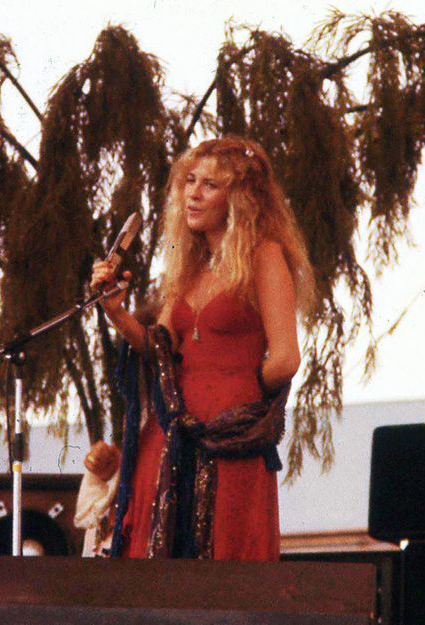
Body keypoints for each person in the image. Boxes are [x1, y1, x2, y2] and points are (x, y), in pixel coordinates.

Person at [84, 135, 314, 561]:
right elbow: (160, 349)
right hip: (171, 433)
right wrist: (116, 313)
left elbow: (285, 359)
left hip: (232, 438)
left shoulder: (265, 256)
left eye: (209, 184)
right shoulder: (188, 266)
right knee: (153, 557)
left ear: (239, 198)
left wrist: (238, 390)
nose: (193, 192)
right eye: (190, 180)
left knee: (225, 559)